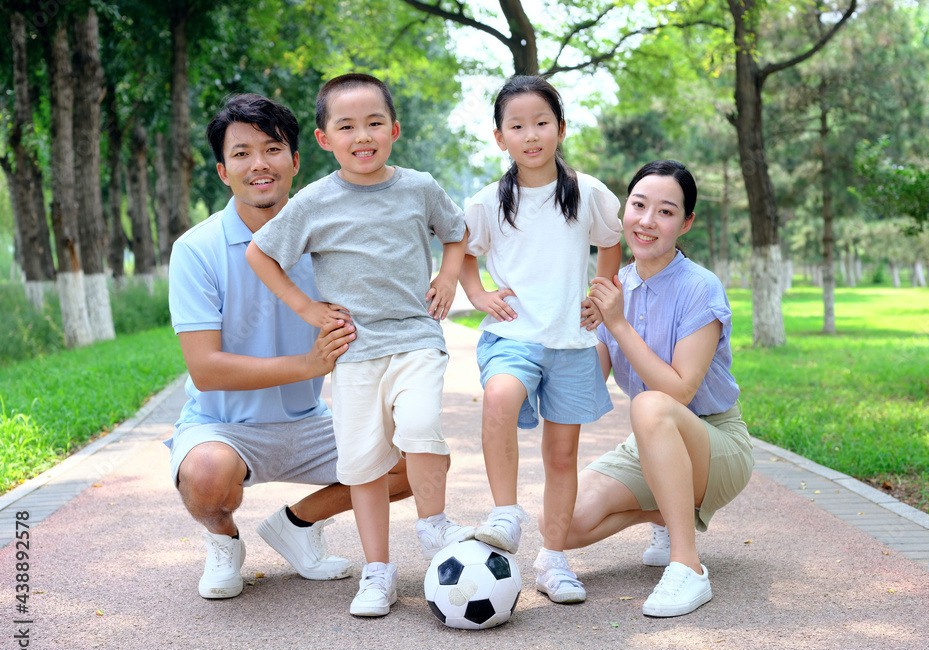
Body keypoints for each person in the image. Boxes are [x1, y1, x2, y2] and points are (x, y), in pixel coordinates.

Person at [168, 93, 413, 601]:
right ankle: (223, 540)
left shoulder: (330, 240)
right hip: (223, 426)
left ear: (296, 161)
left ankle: (297, 526)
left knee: (416, 458)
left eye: (273, 148)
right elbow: (206, 370)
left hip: (310, 423)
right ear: (222, 171)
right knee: (207, 477)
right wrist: (307, 363)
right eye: (241, 153)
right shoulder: (196, 250)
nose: (259, 164)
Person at [245, 74, 473, 618]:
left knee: (419, 424)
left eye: (374, 123)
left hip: (416, 336)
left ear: (393, 129)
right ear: (324, 140)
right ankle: (378, 572)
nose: (362, 135)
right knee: (364, 464)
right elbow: (261, 255)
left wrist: (447, 278)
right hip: (353, 351)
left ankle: (434, 525)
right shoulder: (314, 201)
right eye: (346, 126)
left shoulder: (418, 187)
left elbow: (457, 232)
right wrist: (308, 309)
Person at [548, 159, 753, 617]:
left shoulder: (701, 288)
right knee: (559, 524)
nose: (646, 221)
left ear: (686, 223)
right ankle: (665, 507)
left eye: (665, 211)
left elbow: (679, 392)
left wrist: (616, 322)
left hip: (716, 441)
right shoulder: (613, 286)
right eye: (639, 205)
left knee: (651, 405)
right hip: (651, 440)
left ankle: (688, 565)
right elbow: (588, 384)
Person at [460, 75, 623, 605]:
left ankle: (553, 560)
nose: (530, 135)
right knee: (499, 398)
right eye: (517, 126)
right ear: (499, 136)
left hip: (572, 342)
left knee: (561, 455)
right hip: (513, 334)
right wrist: (478, 293)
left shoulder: (589, 192)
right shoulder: (487, 201)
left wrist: (604, 292)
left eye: (541, 123)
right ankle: (505, 514)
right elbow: (463, 250)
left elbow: (610, 242)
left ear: (561, 128)